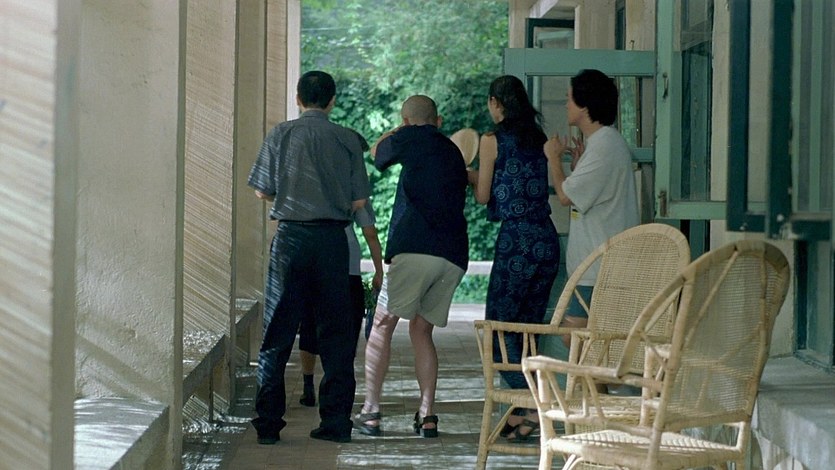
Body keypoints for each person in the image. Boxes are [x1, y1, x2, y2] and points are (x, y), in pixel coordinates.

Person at [247, 70, 371, 444]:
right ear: (332, 101)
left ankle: (268, 425)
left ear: (298, 99)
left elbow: (261, 191)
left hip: (291, 239)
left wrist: (291, 196)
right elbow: (359, 201)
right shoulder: (348, 139)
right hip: (332, 241)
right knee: (337, 334)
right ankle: (335, 423)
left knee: (278, 331)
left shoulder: (281, 134)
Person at [355, 95, 469, 438]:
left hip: (415, 247)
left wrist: (398, 130)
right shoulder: (452, 149)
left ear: (406, 120)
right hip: (453, 255)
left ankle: (371, 412)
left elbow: (377, 154)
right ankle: (427, 415)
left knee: (382, 323)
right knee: (421, 330)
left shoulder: (409, 135)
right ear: (439, 120)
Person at [467, 75, 560, 442]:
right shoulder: (539, 138)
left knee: (499, 328)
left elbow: (483, 195)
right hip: (545, 238)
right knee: (528, 331)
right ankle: (522, 412)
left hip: (516, 240)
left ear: (496, 103)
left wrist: (469, 175)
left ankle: (534, 404)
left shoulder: (491, 140)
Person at [543, 68, 639, 344]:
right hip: (594, 267)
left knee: (574, 339)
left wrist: (553, 159)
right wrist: (577, 168)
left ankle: (594, 377)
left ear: (584, 105)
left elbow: (565, 196)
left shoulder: (604, 145)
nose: (566, 105)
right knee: (584, 341)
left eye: (569, 98)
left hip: (598, 269)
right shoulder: (601, 144)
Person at [298, 203, 384, 407]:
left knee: (310, 327)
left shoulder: (310, 187)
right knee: (346, 331)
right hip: (347, 266)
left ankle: (308, 384)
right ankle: (338, 387)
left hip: (313, 264)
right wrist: (379, 271)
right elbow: (370, 233)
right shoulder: (354, 190)